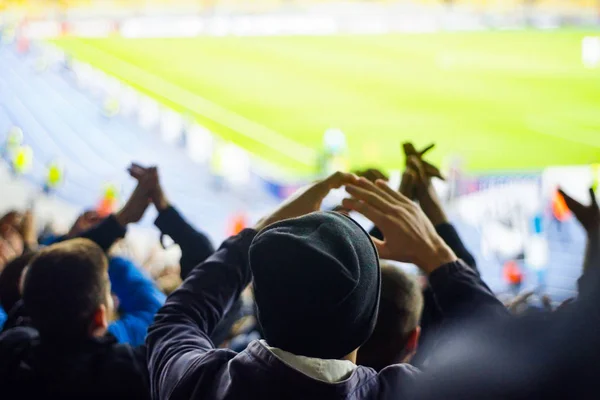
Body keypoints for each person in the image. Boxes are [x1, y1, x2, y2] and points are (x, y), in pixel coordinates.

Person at [146, 172, 507, 400]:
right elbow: (511, 357)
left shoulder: (199, 381)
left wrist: (259, 233)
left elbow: (176, 320)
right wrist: (439, 257)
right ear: (367, 320)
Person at [0, 239, 150, 400]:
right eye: (108, 292)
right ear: (99, 318)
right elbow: (157, 310)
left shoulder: (14, 349)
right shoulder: (126, 371)